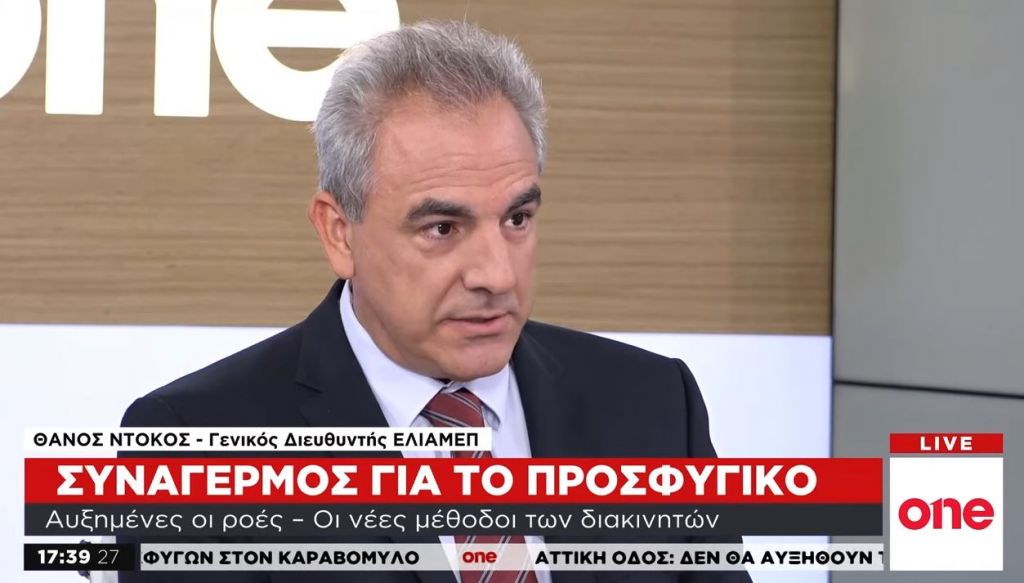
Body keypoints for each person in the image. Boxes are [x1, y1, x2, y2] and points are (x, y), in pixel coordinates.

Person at [120, 20, 750, 583]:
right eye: (442, 228)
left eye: (517, 218)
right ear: (339, 233)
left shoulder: (654, 407)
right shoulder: (194, 448)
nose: (496, 274)